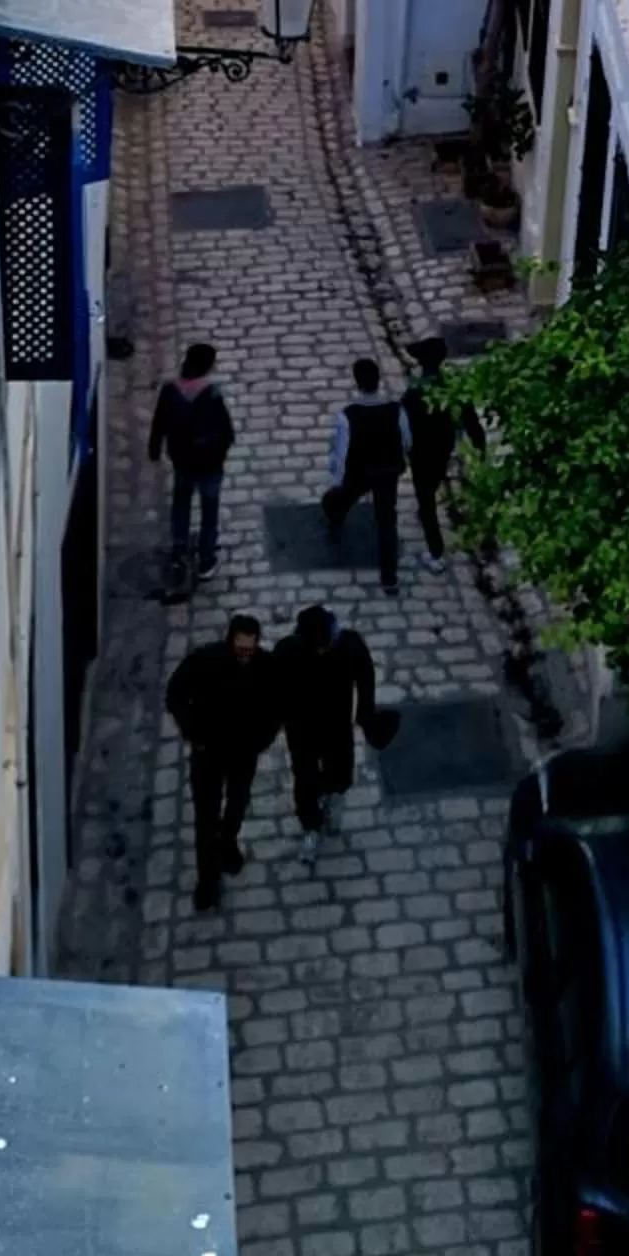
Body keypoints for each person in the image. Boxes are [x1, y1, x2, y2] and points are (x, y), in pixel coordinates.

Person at [166, 612, 282, 914]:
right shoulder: (206, 661)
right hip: (209, 754)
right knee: (206, 818)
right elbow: (175, 693)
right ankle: (207, 880)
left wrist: (262, 739)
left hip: (243, 753)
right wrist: (194, 733)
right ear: (231, 642)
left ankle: (227, 842)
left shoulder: (266, 667)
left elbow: (278, 706)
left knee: (237, 805)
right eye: (240, 649)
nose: (245, 655)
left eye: (250, 649)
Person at [272, 603, 390, 865]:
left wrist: (364, 712)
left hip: (336, 724)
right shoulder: (287, 652)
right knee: (305, 778)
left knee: (340, 769)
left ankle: (334, 798)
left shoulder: (348, 645)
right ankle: (311, 825)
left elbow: (366, 675)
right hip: (301, 729)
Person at [148, 341, 236, 595]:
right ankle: (206, 559)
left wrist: (155, 449)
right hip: (209, 466)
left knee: (181, 505)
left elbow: (159, 424)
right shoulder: (212, 395)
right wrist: (220, 454)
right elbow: (227, 433)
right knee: (209, 513)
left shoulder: (170, 391)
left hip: (183, 463)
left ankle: (179, 551)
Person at [400, 336, 487, 573]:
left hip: (420, 452)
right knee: (434, 482)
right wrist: (480, 447)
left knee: (426, 500)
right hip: (444, 446)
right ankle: (427, 517)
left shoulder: (413, 393)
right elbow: (471, 421)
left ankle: (435, 552)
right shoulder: (453, 389)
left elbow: (401, 425)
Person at [322, 357, 408, 591]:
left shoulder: (348, 416)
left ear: (357, 383)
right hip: (387, 473)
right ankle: (389, 578)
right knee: (386, 522)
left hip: (359, 473)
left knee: (340, 500)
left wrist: (337, 481)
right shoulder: (395, 410)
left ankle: (335, 523)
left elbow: (341, 452)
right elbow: (406, 440)